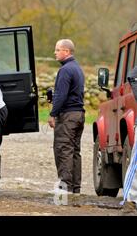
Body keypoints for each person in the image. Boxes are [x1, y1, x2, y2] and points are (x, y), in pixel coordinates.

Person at [48, 39, 85, 195]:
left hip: (68, 116)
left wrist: (53, 113)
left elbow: (61, 95)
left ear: (67, 52)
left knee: (63, 150)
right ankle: (75, 189)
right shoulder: (77, 68)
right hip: (79, 114)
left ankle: (65, 190)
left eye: (58, 50)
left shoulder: (65, 70)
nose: (55, 52)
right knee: (74, 152)